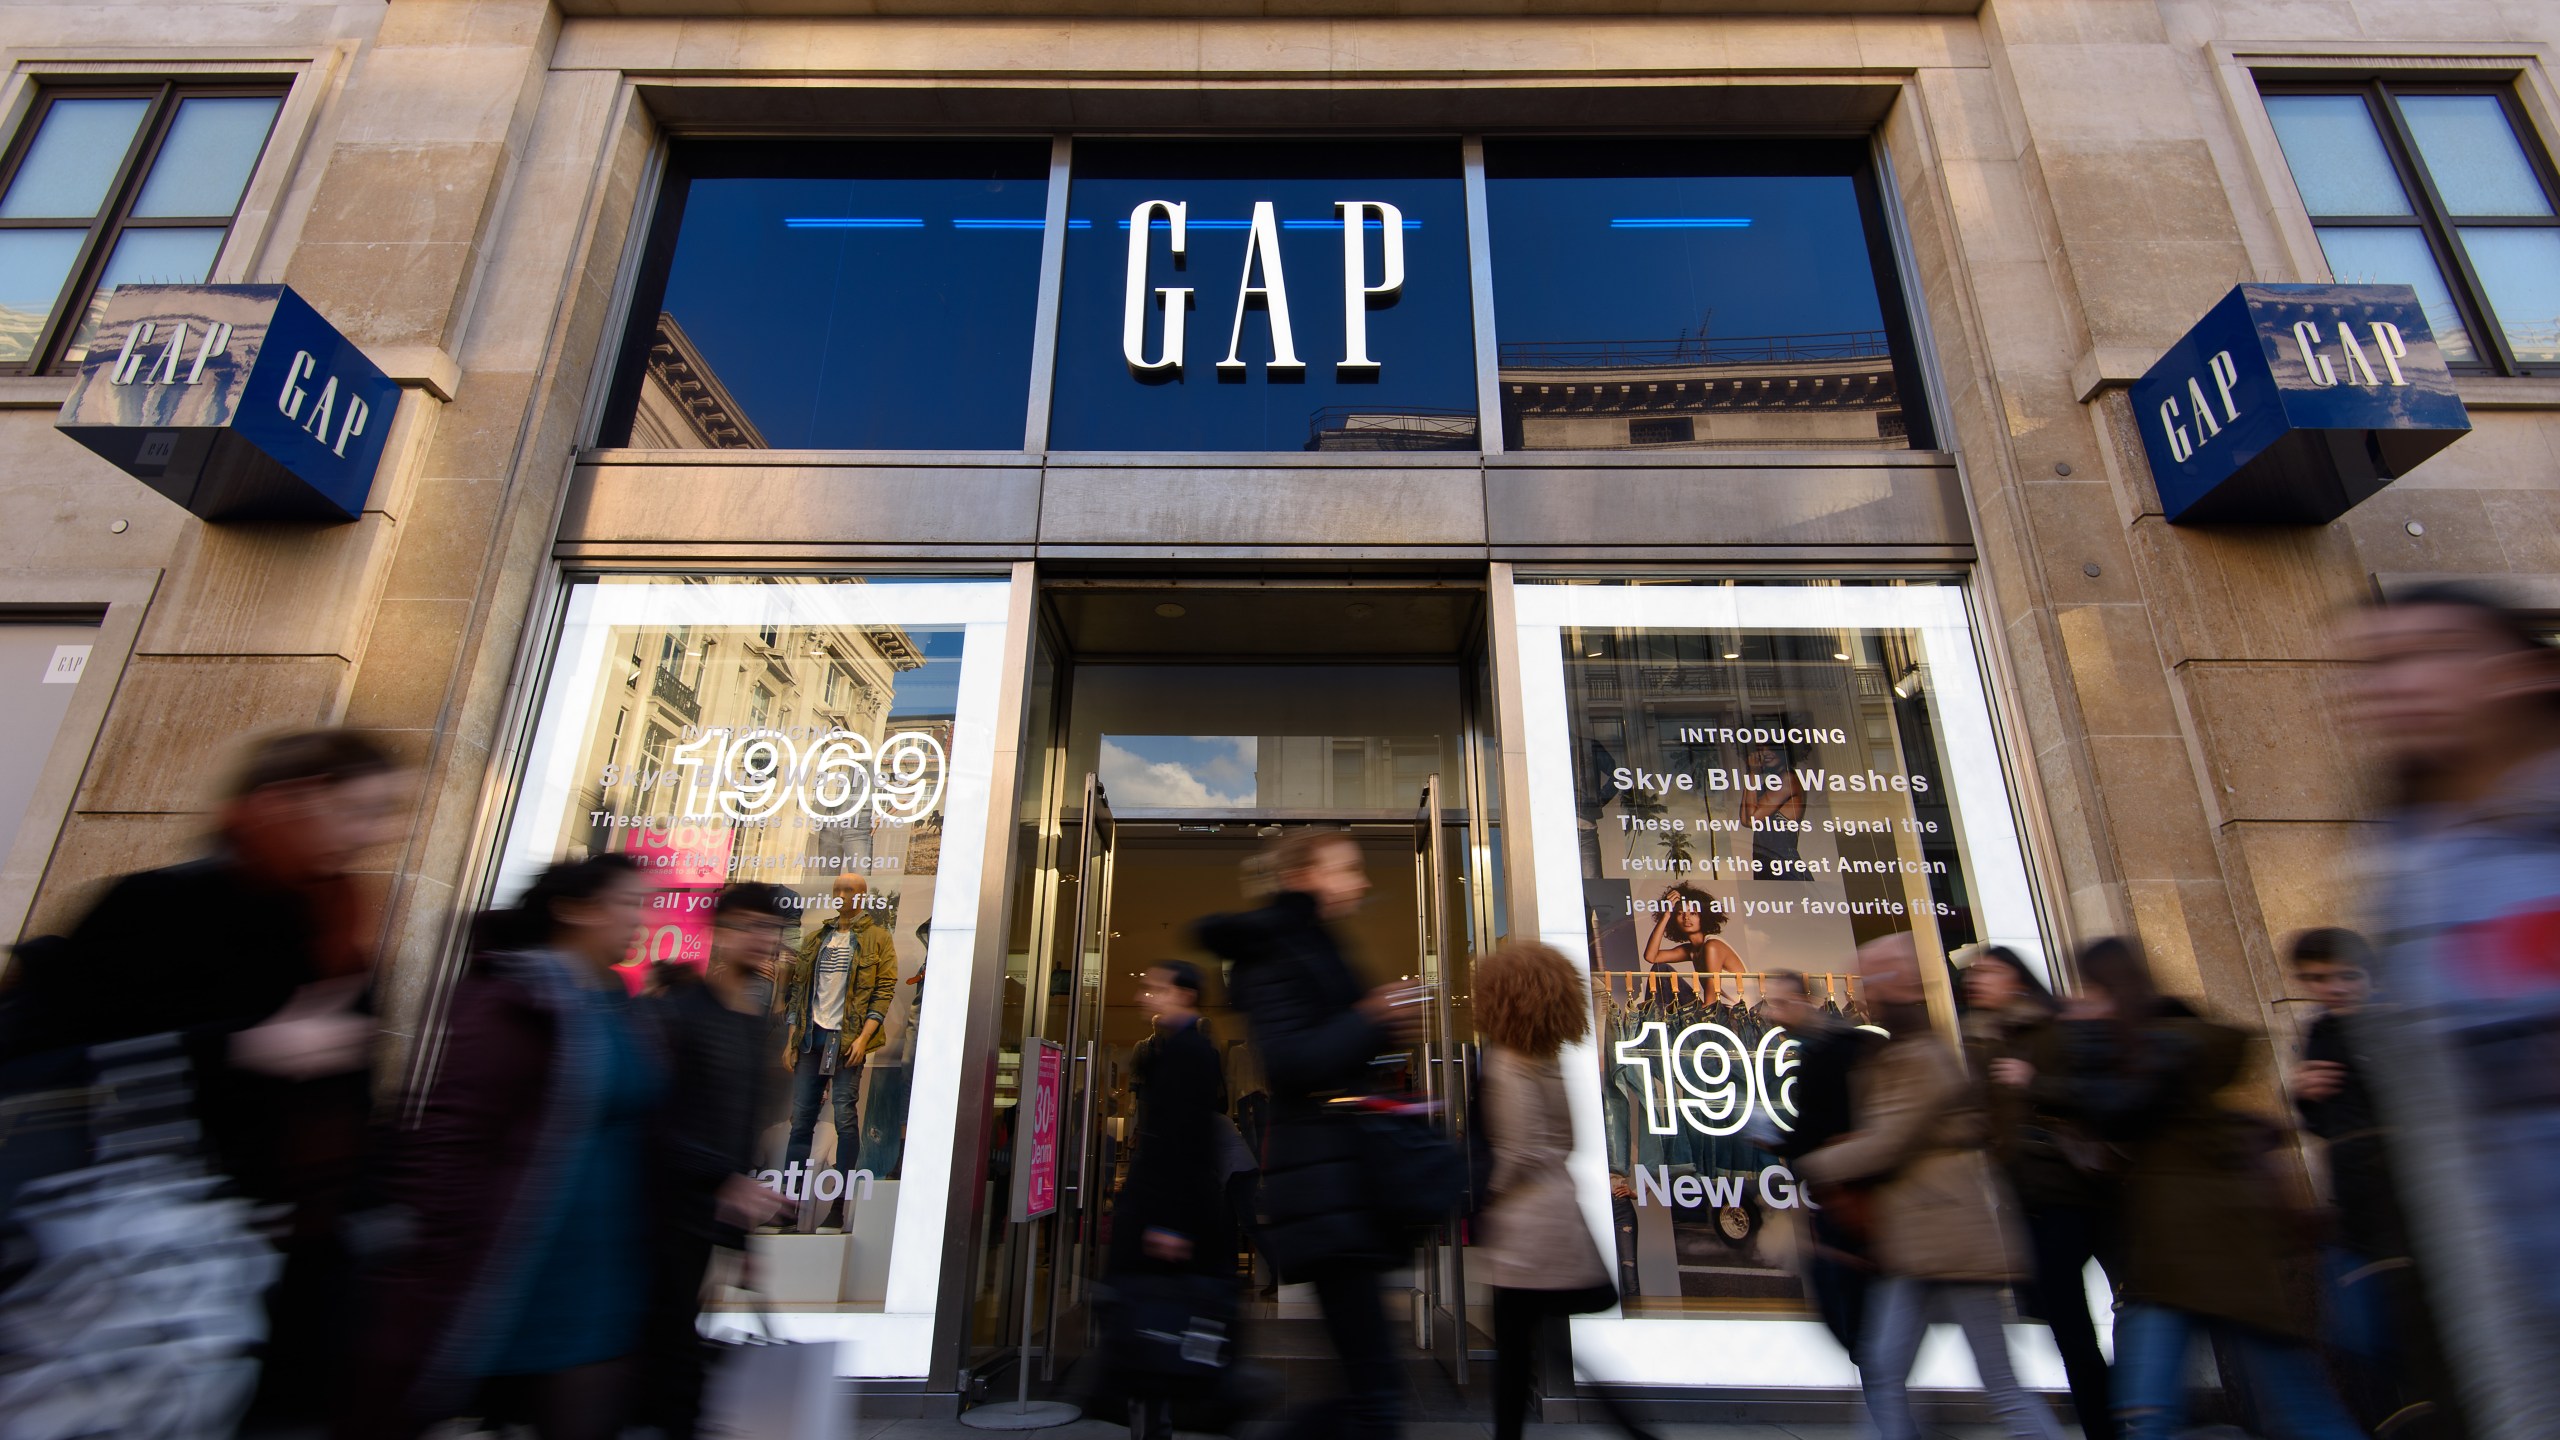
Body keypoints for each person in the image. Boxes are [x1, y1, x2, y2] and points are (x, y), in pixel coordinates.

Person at [0, 728, 406, 1429]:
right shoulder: (159, 905)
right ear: (285, 802)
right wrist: (245, 1047)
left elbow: (345, 1099)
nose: (377, 831)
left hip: (271, 1265)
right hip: (123, 1262)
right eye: (359, 810)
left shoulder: (339, 933)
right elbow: (52, 1057)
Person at [341, 854, 665, 1440]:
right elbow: (449, 1134)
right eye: (627, 903)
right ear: (572, 910)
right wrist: (429, 1256)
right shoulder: (515, 996)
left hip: (607, 1262)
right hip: (523, 1257)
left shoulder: (621, 1005)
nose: (639, 920)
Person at [2342, 582, 2560, 1435]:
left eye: (2428, 655)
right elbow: (2451, 1163)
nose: (2393, 685)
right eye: (2373, 667)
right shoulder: (2406, 872)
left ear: (2517, 674)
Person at [2042, 937, 2360, 1440]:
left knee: (2169, 1411)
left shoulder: (2159, 1047)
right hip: (2177, 1254)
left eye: (2092, 989)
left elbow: (2115, 1108)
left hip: (2197, 1251)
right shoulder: (2144, 1045)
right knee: (2161, 1411)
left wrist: (2061, 1059)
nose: (2083, 1002)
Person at [1196, 829, 1421, 1440]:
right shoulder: (1277, 950)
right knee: (1374, 1391)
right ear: (1304, 875)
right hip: (1325, 1185)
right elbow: (1293, 1063)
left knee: (1371, 1383)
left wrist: (1378, 1025)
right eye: (1346, 868)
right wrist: (1370, 1016)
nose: (1363, 881)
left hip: (1342, 1178)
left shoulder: (1315, 944)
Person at [1795, 933, 2061, 1440]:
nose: (1865, 991)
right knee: (1887, 1369)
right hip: (1921, 1238)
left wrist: (1813, 1160)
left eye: (1873, 979)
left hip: (1950, 1237)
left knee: (1993, 1385)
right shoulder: (1907, 1051)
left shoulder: (1921, 1057)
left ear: (1898, 983)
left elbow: (1888, 1142)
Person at [1471, 941, 1656, 1440]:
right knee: (1548, 1344)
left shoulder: (1507, 1062)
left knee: (1515, 1353)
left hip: (1524, 1228)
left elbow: (1517, 1153)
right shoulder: (1549, 1059)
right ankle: (1635, 1430)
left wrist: (1488, 1196)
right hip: (1559, 1216)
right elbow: (1568, 1139)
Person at [640, 882, 795, 1440]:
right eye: (752, 926)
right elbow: (657, 1122)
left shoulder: (757, 1024)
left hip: (709, 1214)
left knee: (681, 1344)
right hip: (664, 1212)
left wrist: (741, 1237)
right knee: (666, 1349)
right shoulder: (678, 1013)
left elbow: (737, 1131)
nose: (765, 940)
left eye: (772, 930)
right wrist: (722, 1181)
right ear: (720, 932)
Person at [1962, 945, 2116, 1440]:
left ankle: (2117, 1419)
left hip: (2077, 1191)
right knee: (2067, 1325)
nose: (1976, 980)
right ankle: (2111, 1419)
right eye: (1976, 973)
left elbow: (2100, 1096)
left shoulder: (2055, 1029)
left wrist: (2034, 1082)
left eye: (1990, 972)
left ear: (2018, 980)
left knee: (2086, 1322)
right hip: (2031, 1199)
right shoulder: (1984, 1041)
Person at [1103, 960, 1232, 1440]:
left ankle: (1157, 1418)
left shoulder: (1190, 1053)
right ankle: (1154, 1414)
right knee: (1153, 1321)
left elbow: (1184, 1140)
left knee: (1156, 1320)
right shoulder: (1173, 1051)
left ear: (1184, 995)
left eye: (1156, 988)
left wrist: (1169, 1222)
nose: (1145, 997)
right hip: (1164, 1207)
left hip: (1166, 1212)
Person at [1759, 968, 1878, 1355]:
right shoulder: (1820, 1047)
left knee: (1850, 1310)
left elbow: (1828, 1126)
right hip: (1837, 1195)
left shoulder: (1834, 1048)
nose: (1770, 1015)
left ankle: (1878, 1381)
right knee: (1848, 1307)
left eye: (1778, 1004)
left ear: (1801, 1001)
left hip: (1850, 1196)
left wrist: (1784, 1142)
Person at [776, 874, 899, 1231]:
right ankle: (788, 1205)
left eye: (848, 891)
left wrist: (863, 1038)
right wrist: (791, 1039)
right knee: (801, 1121)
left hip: (846, 1041)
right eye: (837, 891)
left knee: (846, 1117)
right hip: (812, 1037)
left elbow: (884, 990)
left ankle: (838, 1208)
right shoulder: (818, 938)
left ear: (862, 897)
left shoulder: (877, 938)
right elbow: (800, 991)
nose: (841, 897)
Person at [1640, 882, 1742, 1000]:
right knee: (1661, 970)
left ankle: (1654, 1016)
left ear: (1703, 916)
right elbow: (1651, 957)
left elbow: (1711, 1001)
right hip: (1717, 1009)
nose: (1686, 917)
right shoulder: (1692, 950)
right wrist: (1667, 914)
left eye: (1693, 913)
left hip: (1732, 1013)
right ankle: (1654, 1015)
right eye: (1680, 913)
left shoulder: (1713, 946)